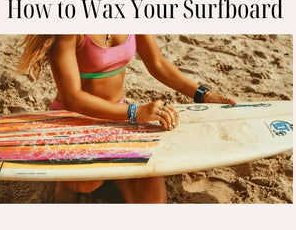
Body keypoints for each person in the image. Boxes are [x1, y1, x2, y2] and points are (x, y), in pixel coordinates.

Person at [18, 34, 237, 203]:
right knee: (85, 184)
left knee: (153, 202)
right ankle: (72, 182)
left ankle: (109, 176)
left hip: (119, 121)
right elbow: (72, 97)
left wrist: (204, 95)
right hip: (75, 123)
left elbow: (157, 63)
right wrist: (136, 112)